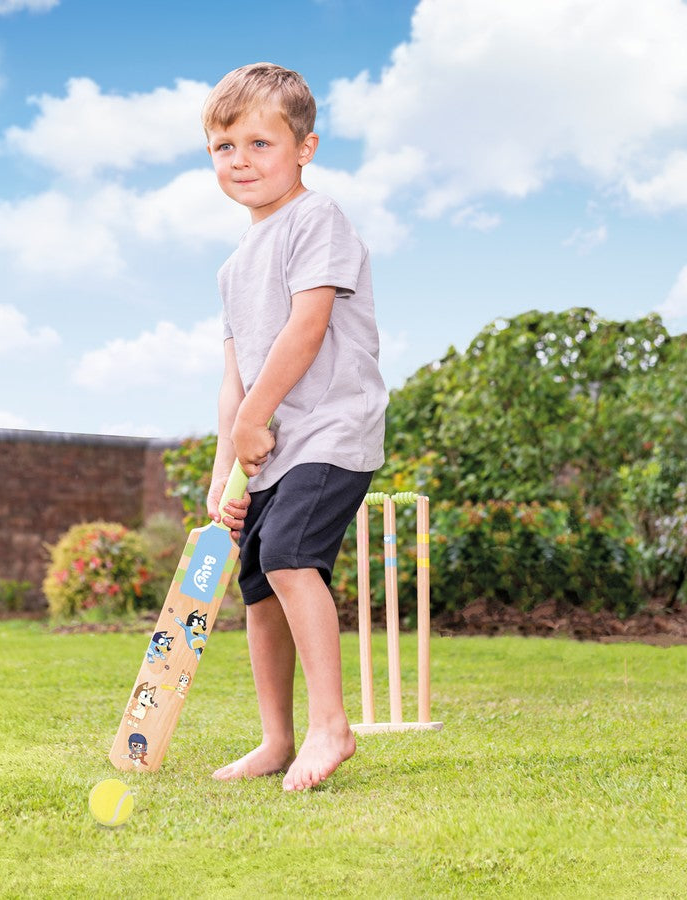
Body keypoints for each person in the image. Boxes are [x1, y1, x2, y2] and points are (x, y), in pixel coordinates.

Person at [203, 62, 388, 791]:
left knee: (286, 556)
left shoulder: (318, 219)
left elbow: (308, 328)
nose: (240, 161)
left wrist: (254, 421)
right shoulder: (229, 268)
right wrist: (226, 465)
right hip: (267, 447)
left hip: (333, 430)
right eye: (224, 148)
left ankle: (330, 727)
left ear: (304, 148)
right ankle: (276, 738)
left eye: (259, 144)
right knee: (257, 583)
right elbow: (235, 378)